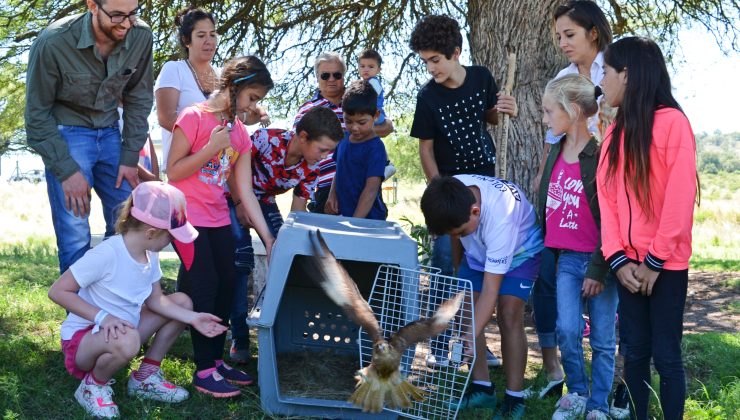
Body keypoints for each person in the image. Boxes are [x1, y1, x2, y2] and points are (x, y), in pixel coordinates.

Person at [47, 181, 227, 418]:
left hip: (124, 333)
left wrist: (194, 318)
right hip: (83, 343)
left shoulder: (149, 254)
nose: (171, 243)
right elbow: (58, 291)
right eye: (170, 237)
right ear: (151, 233)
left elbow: (156, 301)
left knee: (182, 301)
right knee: (129, 339)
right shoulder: (107, 253)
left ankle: (145, 377)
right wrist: (104, 317)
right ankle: (93, 386)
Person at [408, 14, 517, 370]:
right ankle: (439, 344)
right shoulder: (428, 96)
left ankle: (477, 345)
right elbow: (426, 149)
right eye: (425, 61)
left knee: (478, 265)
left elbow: (493, 119)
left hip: (483, 191)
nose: (431, 68)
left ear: (455, 52)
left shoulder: (483, 77)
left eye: (435, 60)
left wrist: (506, 109)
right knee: (444, 264)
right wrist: (439, 190)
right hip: (449, 192)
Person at [598, 36, 698, 420]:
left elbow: (679, 198)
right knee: (635, 351)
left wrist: (654, 260)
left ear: (627, 74)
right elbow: (606, 203)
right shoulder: (614, 132)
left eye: (606, 72)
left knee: (666, 355)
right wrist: (618, 259)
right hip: (626, 267)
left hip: (665, 266)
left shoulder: (674, 124)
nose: (601, 81)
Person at [166, 56, 275, 398]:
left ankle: (215, 359)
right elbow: (174, 171)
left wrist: (267, 237)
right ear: (235, 87)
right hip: (185, 218)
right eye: (252, 97)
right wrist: (212, 147)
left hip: (217, 217)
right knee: (206, 286)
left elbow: (244, 191)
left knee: (229, 283)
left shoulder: (240, 134)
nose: (253, 107)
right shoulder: (193, 117)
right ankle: (203, 370)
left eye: (257, 100)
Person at [25, 0, 153, 274]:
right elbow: (36, 116)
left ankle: (116, 304)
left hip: (110, 133)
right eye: (117, 15)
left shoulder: (141, 35)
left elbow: (139, 98)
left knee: (129, 222)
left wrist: (130, 156)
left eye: (132, 14)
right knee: (75, 231)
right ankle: (80, 315)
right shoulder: (53, 42)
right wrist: (66, 170)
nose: (126, 23)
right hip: (68, 135)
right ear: (92, 6)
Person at [529, 0, 614, 402]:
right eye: (558, 36)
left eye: (570, 34)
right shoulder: (563, 79)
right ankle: (577, 393)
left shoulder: (614, 71)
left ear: (593, 32)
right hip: (568, 233)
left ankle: (609, 395)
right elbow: (555, 144)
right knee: (568, 324)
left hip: (604, 197)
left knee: (606, 329)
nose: (563, 42)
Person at [227, 106, 344, 363]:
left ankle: (282, 333)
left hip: (264, 203)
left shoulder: (312, 167)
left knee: (285, 255)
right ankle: (239, 338)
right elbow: (231, 168)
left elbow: (297, 212)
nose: (325, 156)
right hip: (231, 197)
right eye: (322, 149)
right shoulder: (265, 139)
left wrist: (288, 240)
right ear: (302, 137)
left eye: (330, 151)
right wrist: (238, 203)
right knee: (241, 259)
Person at [421, 175, 543, 418]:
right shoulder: (451, 194)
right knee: (466, 308)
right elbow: (457, 235)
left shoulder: (500, 219)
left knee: (508, 314)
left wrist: (468, 335)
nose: (457, 235)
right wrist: (461, 276)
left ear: (475, 210)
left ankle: (514, 398)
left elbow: (490, 290)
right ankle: (482, 388)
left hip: (520, 250)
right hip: (478, 253)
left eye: (461, 231)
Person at [538, 74, 617, 420]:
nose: (544, 119)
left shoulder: (599, 156)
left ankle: (599, 404)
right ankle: (578, 394)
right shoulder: (554, 151)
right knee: (567, 330)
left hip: (601, 261)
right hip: (567, 260)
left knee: (601, 338)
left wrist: (599, 268)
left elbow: (612, 217)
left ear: (571, 110)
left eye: (548, 111)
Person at [295, 52, 394, 214]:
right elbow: (301, 146)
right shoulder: (307, 109)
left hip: (362, 178)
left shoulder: (356, 99)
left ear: (344, 75)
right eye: (325, 75)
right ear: (317, 77)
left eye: (337, 74)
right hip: (325, 184)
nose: (331, 79)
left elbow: (387, 126)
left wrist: (353, 132)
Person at [326, 80, 388, 220]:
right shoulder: (343, 139)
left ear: (376, 115)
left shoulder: (376, 148)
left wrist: (355, 222)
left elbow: (371, 189)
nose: (354, 127)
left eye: (361, 122)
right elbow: (339, 170)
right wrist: (332, 194)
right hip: (344, 215)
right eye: (348, 121)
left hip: (369, 220)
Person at [358, 48, 397, 180]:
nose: (366, 69)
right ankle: (383, 163)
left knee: (370, 137)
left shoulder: (373, 82)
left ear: (378, 70)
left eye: (371, 66)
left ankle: (385, 163)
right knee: (372, 139)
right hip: (370, 114)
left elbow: (366, 97)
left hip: (375, 114)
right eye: (362, 66)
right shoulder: (365, 83)